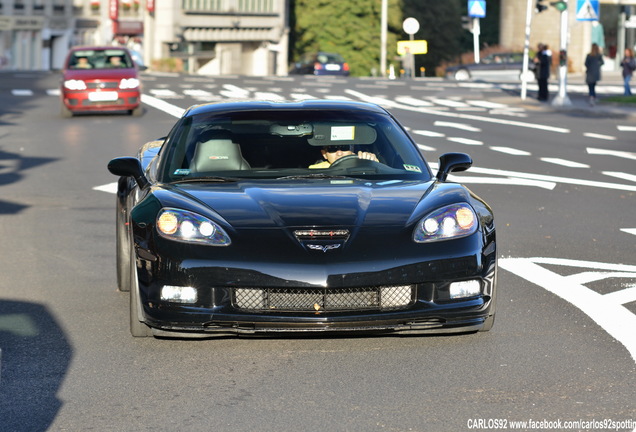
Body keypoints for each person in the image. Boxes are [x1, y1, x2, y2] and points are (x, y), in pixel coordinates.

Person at [309, 145, 378, 169]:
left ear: (352, 150)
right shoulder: (314, 170)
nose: (339, 153)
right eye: (332, 148)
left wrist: (371, 162)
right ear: (324, 154)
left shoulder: (364, 163)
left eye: (344, 147)